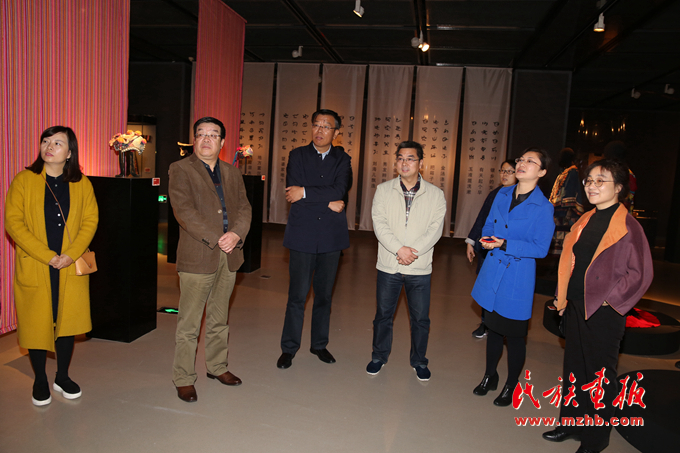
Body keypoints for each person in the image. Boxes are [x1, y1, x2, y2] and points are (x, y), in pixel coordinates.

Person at [542, 159, 653, 453]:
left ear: (618, 188)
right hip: (575, 305)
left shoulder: (629, 226)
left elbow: (640, 274)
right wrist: (562, 297)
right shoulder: (585, 219)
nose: (592, 186)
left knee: (599, 377)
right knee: (574, 369)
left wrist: (610, 301)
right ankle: (570, 424)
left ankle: (595, 440)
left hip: (604, 313)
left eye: (600, 180)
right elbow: (569, 262)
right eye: (589, 180)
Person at [5, 126, 99, 406]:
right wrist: (47, 255)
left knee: (68, 321)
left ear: (69, 152)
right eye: (46, 141)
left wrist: (70, 254)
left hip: (70, 265)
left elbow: (90, 221)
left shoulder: (81, 183)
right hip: (37, 263)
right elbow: (14, 223)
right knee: (37, 322)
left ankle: (62, 376)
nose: (49, 146)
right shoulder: (24, 180)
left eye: (58, 143)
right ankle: (40, 380)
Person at [168, 117, 252, 402]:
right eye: (201, 134)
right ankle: (183, 378)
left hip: (229, 256)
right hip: (198, 255)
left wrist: (236, 234)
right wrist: (217, 238)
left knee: (219, 318)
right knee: (189, 324)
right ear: (194, 140)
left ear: (222, 142)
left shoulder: (232, 172)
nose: (207, 139)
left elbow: (244, 208)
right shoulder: (180, 169)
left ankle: (217, 367)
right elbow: (184, 211)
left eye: (213, 135)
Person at [471, 148, 555, 406]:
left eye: (530, 161)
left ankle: (511, 385)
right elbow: (489, 224)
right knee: (493, 330)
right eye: (520, 159)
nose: (521, 164)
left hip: (517, 277)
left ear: (542, 172)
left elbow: (541, 248)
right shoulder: (502, 194)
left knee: (515, 337)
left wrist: (505, 243)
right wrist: (486, 239)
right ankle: (490, 376)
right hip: (493, 270)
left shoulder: (543, 207)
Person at [276, 109, 352, 369]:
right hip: (302, 235)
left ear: (336, 132)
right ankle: (289, 348)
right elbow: (292, 193)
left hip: (331, 237)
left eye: (326, 126)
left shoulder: (343, 159)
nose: (320, 130)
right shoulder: (297, 155)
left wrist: (306, 193)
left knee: (324, 296)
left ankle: (319, 344)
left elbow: (340, 190)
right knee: (297, 296)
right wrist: (327, 202)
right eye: (316, 125)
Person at [367, 141, 446, 381]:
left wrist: (413, 252)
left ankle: (419, 361)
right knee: (383, 315)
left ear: (420, 163)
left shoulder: (435, 194)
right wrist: (399, 249)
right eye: (400, 158)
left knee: (420, 318)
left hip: (419, 267)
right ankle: (379, 356)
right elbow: (379, 223)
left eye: (410, 158)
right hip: (389, 264)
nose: (404, 163)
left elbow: (435, 229)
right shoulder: (383, 190)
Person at [466, 158, 517, 338]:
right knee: (486, 287)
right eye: (503, 171)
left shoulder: (521, 196)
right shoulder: (495, 193)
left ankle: (503, 324)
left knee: (504, 288)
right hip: (488, 249)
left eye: (509, 171)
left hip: (509, 251)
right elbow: (482, 218)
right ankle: (485, 323)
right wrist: (471, 241)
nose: (505, 174)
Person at [549, 148, 584, 254]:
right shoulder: (565, 172)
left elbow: (570, 192)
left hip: (565, 211)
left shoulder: (572, 171)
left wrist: (569, 211)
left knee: (564, 240)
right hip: (558, 210)